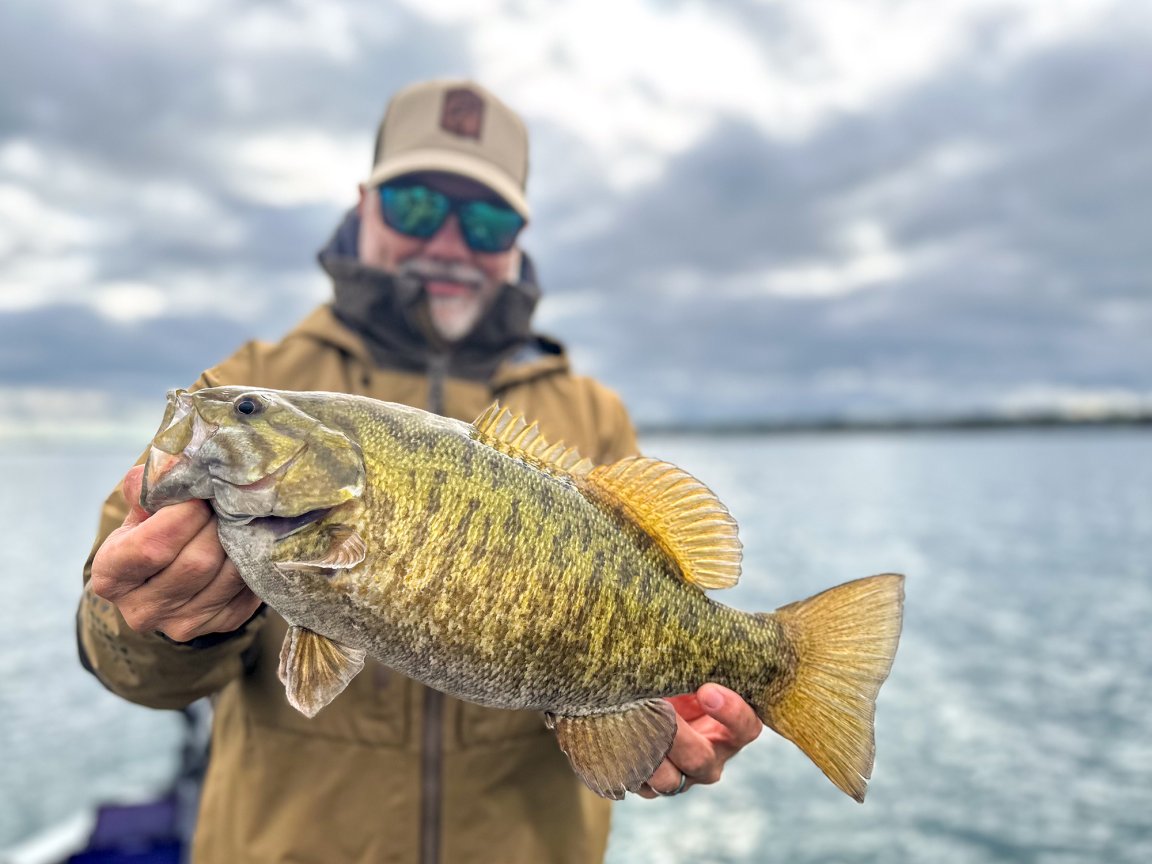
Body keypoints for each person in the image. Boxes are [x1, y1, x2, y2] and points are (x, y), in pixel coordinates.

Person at [78, 79, 762, 864]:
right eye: (414, 207)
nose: (447, 242)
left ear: (518, 238)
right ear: (364, 205)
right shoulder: (244, 386)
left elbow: (656, 624)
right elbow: (121, 657)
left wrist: (676, 704)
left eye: (485, 219)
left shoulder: (593, 414)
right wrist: (155, 624)